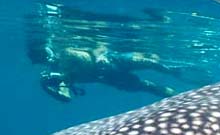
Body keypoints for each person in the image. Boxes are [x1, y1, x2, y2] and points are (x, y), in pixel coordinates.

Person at [38, 43, 177, 102]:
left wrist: (99, 56)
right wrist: (47, 88)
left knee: (150, 63)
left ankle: (174, 72)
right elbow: (66, 97)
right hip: (110, 76)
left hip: (114, 59)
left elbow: (99, 47)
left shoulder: (67, 52)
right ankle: (179, 97)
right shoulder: (60, 75)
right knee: (148, 86)